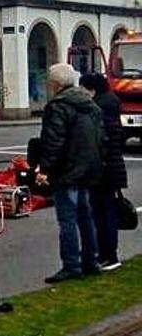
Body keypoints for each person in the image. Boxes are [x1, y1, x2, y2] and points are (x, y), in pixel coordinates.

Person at [37, 63, 104, 284]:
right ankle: (91, 261)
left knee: (67, 219)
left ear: (55, 85)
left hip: (67, 171)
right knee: (85, 216)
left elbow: (53, 142)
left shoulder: (58, 106)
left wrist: (45, 169)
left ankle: (71, 265)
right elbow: (100, 139)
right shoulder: (90, 104)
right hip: (87, 169)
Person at [80, 73, 127, 271]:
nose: (81, 92)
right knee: (104, 211)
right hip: (111, 168)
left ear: (92, 89)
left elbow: (100, 140)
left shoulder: (99, 108)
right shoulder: (110, 103)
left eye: (83, 88)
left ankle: (109, 255)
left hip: (104, 169)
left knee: (103, 213)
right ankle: (107, 253)